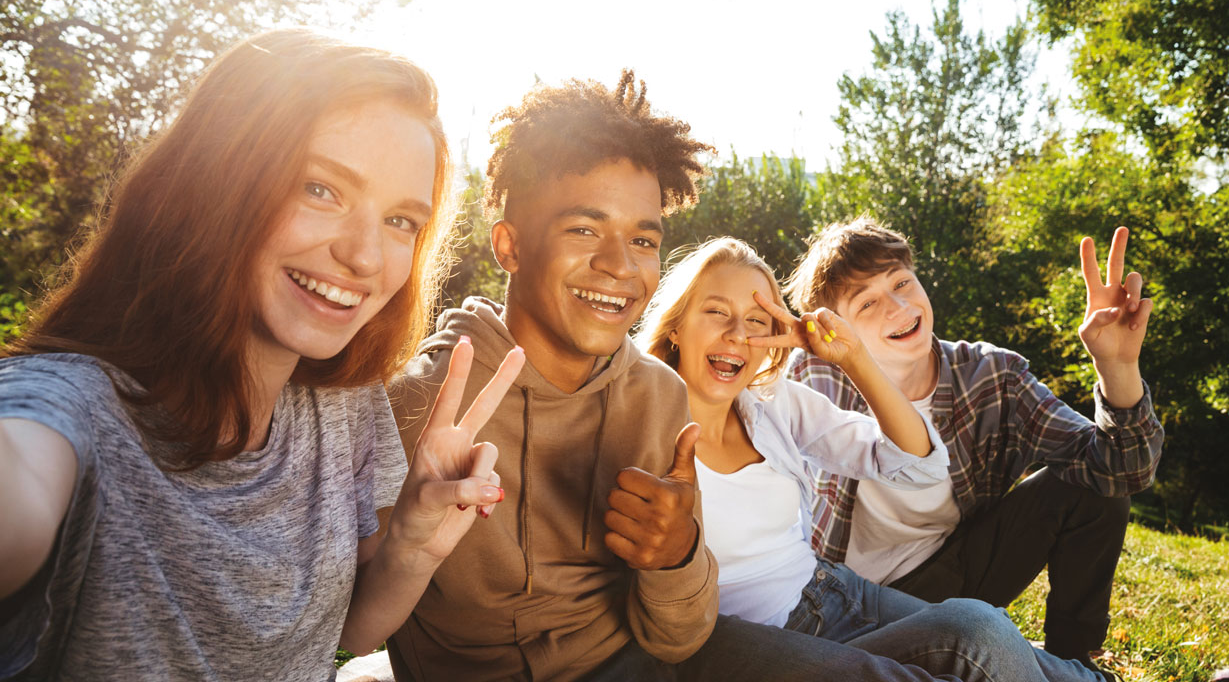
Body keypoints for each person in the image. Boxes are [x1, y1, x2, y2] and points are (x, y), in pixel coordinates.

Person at [388, 72, 1101, 682]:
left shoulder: (683, 400)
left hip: (770, 616)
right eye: (584, 229)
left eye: (642, 239)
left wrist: (675, 556)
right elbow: (362, 609)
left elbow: (679, 628)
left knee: (975, 633)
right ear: (507, 243)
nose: (617, 262)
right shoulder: (426, 399)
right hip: (698, 647)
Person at [0, 28, 523, 681]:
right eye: (321, 189)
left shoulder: (343, 406)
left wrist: (412, 547)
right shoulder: (67, 411)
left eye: (400, 221)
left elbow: (341, 638)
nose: (364, 256)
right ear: (217, 179)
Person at [634, 236, 1108, 682]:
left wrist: (854, 357)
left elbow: (917, 463)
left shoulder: (773, 403)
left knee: (983, 628)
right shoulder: (637, 423)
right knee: (964, 648)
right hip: (744, 634)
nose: (738, 334)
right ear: (676, 324)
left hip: (829, 591)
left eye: (757, 321)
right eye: (716, 312)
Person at [784, 215, 1164, 668]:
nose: (895, 305)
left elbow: (1124, 468)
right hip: (838, 601)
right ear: (835, 327)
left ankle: (1072, 662)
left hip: (954, 572)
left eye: (902, 283)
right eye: (866, 304)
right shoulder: (813, 375)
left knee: (1097, 492)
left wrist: (1117, 367)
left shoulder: (991, 376)